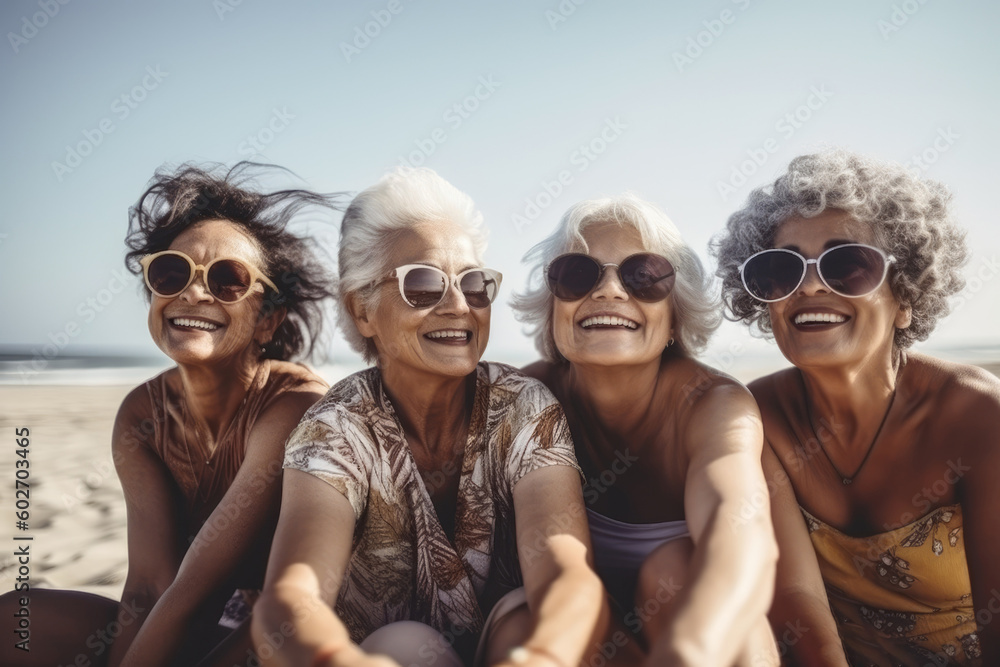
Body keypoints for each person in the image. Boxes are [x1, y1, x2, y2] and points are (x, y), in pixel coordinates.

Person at [251, 167, 605, 667]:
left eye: (475, 283)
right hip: (385, 655)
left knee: (527, 613)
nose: (459, 305)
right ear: (363, 312)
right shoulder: (334, 430)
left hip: (506, 649)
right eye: (423, 283)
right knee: (407, 644)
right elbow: (292, 598)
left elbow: (565, 573)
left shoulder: (524, 407)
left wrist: (543, 657)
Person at [0, 163, 338, 667]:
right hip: (207, 619)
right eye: (171, 272)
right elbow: (150, 585)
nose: (194, 292)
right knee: (17, 618)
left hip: (295, 632)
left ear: (268, 319)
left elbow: (195, 588)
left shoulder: (296, 407)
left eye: (228, 280)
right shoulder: (142, 415)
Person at [712, 148, 1000, 666]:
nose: (812, 285)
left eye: (848, 264)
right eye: (781, 270)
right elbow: (801, 605)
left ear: (906, 298)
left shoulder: (980, 419)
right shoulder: (759, 418)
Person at [512, 194, 780, 666]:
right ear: (552, 307)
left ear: (675, 315)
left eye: (645, 276)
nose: (611, 291)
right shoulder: (524, 396)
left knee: (672, 570)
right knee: (513, 620)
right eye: (578, 274)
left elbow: (739, 531)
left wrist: (689, 652)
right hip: (580, 638)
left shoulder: (712, 405)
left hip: (703, 634)